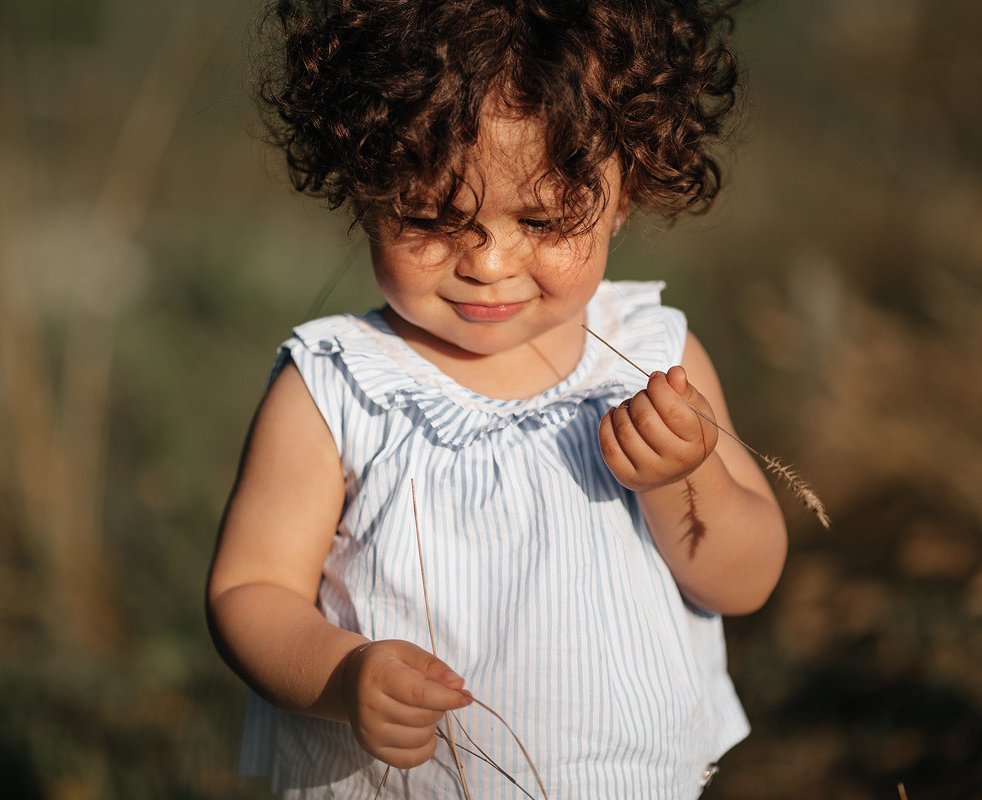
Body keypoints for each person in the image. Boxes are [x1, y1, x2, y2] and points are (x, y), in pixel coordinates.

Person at [207, 1, 788, 796]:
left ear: (625, 191)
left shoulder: (655, 359)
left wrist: (684, 476)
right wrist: (345, 677)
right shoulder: (339, 384)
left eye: (544, 219)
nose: (489, 261)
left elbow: (742, 581)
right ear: (365, 188)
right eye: (430, 217)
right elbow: (251, 591)